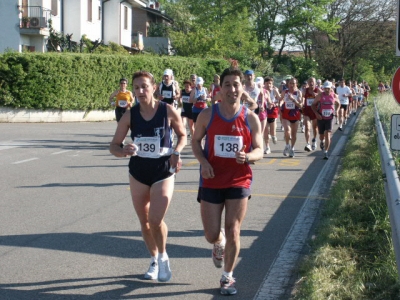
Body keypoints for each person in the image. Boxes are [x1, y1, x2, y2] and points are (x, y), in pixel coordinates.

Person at [109, 71, 187, 283]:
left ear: (154, 88)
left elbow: (182, 136)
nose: (141, 91)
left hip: (163, 168)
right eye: (137, 88)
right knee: (144, 221)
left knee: (155, 219)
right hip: (138, 169)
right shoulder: (130, 115)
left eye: (144, 86)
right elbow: (113, 146)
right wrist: (123, 150)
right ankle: (153, 259)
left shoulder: (167, 110)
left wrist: (177, 152)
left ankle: (163, 256)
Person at [191, 67, 263, 295]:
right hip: (211, 180)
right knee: (212, 234)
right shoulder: (207, 115)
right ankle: (218, 242)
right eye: (228, 85)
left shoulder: (250, 118)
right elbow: (195, 141)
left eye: (236, 84)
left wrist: (248, 156)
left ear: (243, 88)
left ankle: (228, 277)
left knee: (234, 229)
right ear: (220, 89)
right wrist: (203, 162)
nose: (232, 89)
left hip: (239, 180)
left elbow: (260, 149)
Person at [311, 81, 340, 160]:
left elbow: (338, 103)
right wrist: (317, 114)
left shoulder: (334, 95)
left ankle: (326, 152)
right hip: (321, 117)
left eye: (328, 88)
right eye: (325, 88)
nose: (327, 90)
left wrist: (336, 111)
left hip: (330, 117)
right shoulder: (320, 96)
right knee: (321, 135)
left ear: (331, 88)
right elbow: (313, 105)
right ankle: (322, 141)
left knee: (328, 134)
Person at [279, 77, 303, 158]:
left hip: (295, 115)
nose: (292, 85)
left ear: (296, 84)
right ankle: (287, 145)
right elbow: (281, 99)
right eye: (290, 83)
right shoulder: (285, 92)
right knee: (287, 131)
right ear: (288, 84)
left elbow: (300, 105)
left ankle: (292, 148)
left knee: (293, 134)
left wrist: (293, 100)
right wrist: (281, 103)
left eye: (293, 83)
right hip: (286, 115)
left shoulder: (298, 93)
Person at [302, 77, 320, 151]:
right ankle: (308, 144)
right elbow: (302, 98)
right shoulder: (305, 90)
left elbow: (324, 97)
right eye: (309, 81)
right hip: (307, 111)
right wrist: (302, 103)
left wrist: (317, 96)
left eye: (312, 81)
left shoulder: (318, 90)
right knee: (307, 127)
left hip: (315, 111)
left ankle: (314, 140)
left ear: (315, 83)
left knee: (315, 127)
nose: (311, 83)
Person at [264, 76, 281, 151]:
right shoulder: (262, 91)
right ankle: (267, 147)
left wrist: (276, 104)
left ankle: (273, 136)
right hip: (265, 111)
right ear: (264, 83)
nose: (268, 85)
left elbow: (280, 99)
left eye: (270, 83)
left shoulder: (274, 90)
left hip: (273, 111)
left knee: (272, 132)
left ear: (272, 84)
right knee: (266, 131)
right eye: (267, 83)